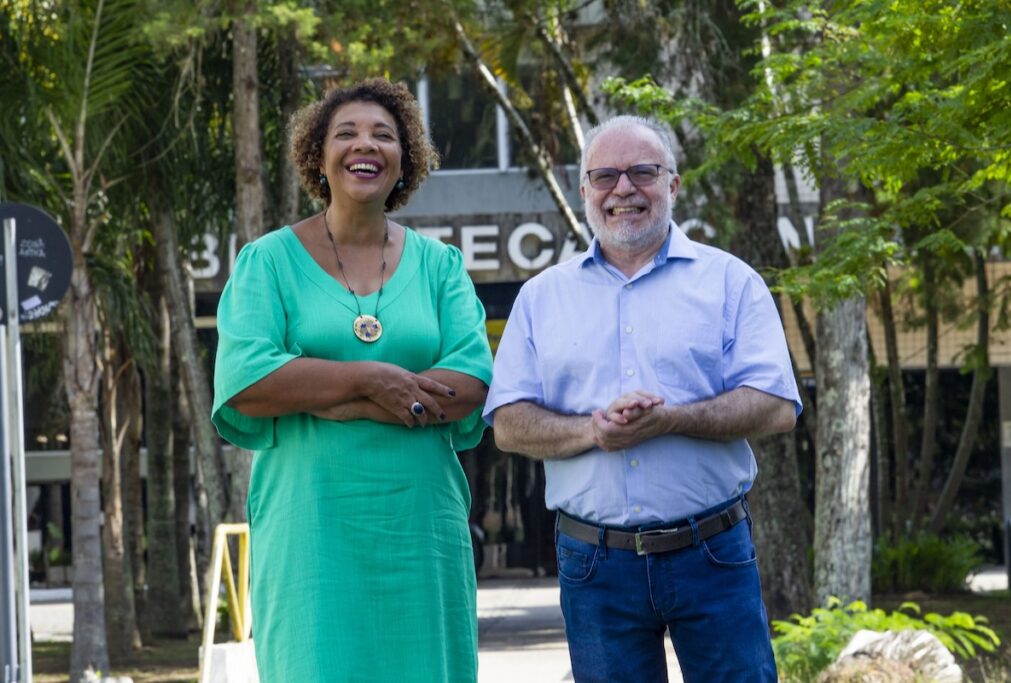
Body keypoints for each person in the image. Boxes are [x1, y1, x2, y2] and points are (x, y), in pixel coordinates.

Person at [483, 115, 802, 683]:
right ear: (584, 190)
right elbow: (507, 424)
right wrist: (592, 430)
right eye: (605, 175)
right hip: (594, 563)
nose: (623, 189)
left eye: (642, 172)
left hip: (713, 551)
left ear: (673, 184)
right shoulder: (540, 298)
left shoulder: (730, 282)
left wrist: (671, 419)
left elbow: (775, 406)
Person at [212, 78, 492, 682]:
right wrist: (368, 379)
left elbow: (471, 380)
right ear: (319, 156)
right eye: (347, 133)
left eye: (383, 135)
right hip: (310, 530)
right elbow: (247, 380)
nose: (365, 144)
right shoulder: (267, 262)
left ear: (404, 162)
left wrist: (337, 395)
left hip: (421, 527)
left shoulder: (440, 266)